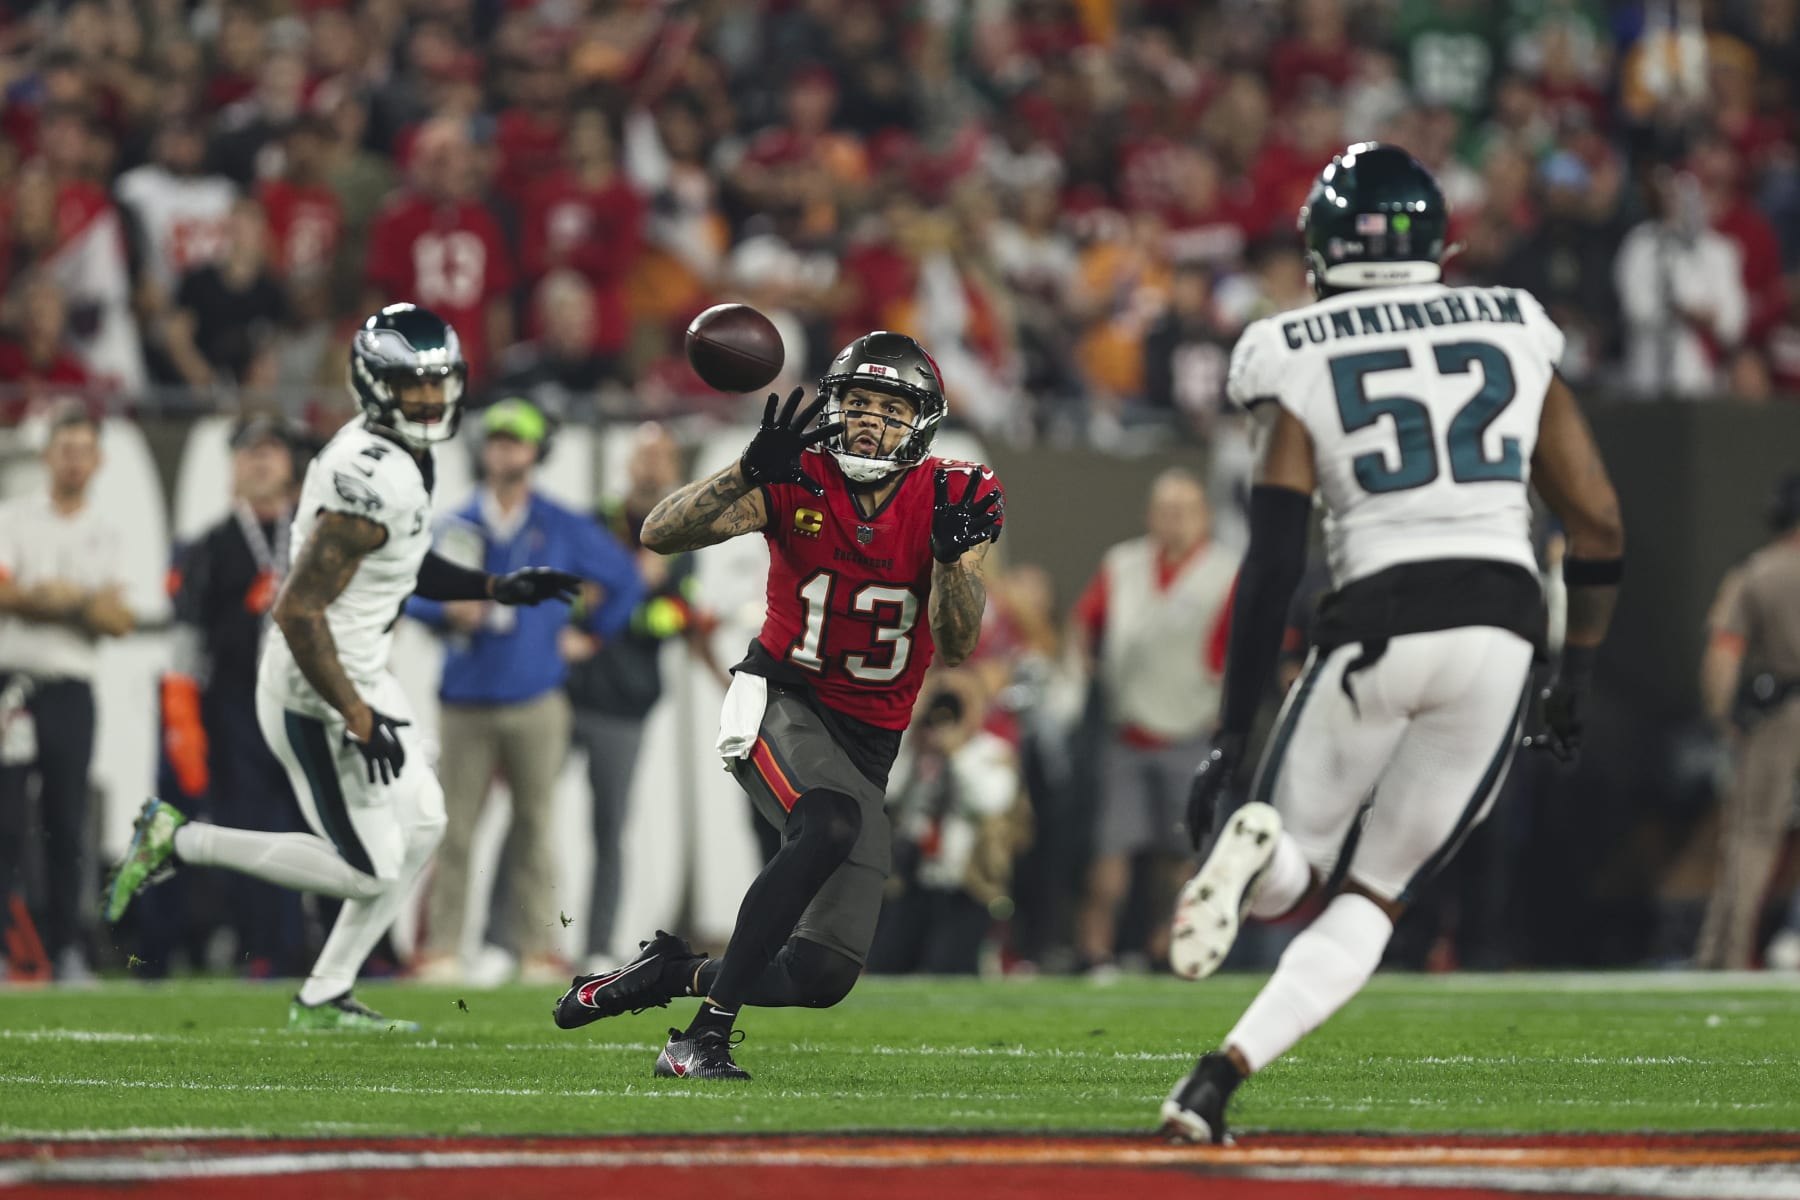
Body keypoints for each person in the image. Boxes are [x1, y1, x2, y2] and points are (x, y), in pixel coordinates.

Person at [1159, 144, 1625, 1143]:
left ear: (1323, 244)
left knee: (1296, 862)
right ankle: (1215, 1081)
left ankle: (1262, 856)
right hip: (1500, 630)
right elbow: (1598, 524)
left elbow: (1273, 561)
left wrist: (1229, 738)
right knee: (1376, 894)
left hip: (1375, 619)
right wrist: (1574, 675)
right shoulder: (1512, 322)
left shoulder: (1293, 344)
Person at [102, 304, 580, 1030]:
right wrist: (357, 715)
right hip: (312, 683)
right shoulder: (372, 474)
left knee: (423, 825)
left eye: (438, 381)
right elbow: (296, 613)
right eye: (411, 385)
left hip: (358, 670)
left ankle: (327, 989)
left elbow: (399, 560)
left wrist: (491, 586)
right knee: (368, 866)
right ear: (372, 384)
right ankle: (180, 839)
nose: (430, 399)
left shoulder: (402, 455)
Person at [552, 331, 1005, 1080]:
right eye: (856, 404)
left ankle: (667, 974)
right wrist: (742, 474)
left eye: (888, 409)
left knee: (819, 974)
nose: (868, 422)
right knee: (828, 821)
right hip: (780, 696)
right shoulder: (798, 474)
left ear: (920, 422)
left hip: (871, 740)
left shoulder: (955, 493)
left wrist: (954, 562)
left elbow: (955, 642)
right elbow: (657, 534)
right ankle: (703, 1039)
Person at [406, 397, 641, 983]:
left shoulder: (559, 525)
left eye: (514, 440)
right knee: (455, 829)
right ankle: (442, 949)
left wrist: (591, 639)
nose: (501, 448)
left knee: (537, 827)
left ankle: (537, 948)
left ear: (536, 452)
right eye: (495, 439)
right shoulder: (456, 524)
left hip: (536, 695)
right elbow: (410, 593)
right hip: (465, 697)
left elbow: (627, 581)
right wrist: (444, 613)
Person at [154, 416, 312, 977]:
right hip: (237, 710)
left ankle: (326, 949)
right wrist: (182, 721)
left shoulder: (316, 539)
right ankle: (262, 947)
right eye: (251, 452)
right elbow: (186, 639)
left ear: (292, 466)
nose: (263, 460)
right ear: (232, 469)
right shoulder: (209, 547)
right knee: (250, 827)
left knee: (320, 828)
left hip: (310, 708)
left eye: (273, 450)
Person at [562, 422, 722, 969]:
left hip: (626, 700)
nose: (652, 466)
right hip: (563, 690)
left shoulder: (686, 539)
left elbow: (680, 615)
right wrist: (637, 585)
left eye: (663, 456)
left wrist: (618, 596)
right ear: (628, 463)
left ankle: (597, 945)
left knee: (610, 827)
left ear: (675, 469)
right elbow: (569, 594)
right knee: (526, 818)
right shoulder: (595, 522)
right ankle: (507, 943)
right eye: (644, 455)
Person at [1071, 469, 1238, 972]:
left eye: (1185, 509)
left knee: (1183, 854)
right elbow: (1086, 622)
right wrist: (1086, 677)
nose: (1175, 520)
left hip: (1191, 730)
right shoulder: (1124, 563)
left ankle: (1171, 948)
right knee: (1111, 850)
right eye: (1166, 510)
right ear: (1151, 515)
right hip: (1128, 730)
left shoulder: (1226, 571)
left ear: (1205, 515)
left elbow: (1239, 650)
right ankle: (1093, 952)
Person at [0, 402, 138, 983]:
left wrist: (67, 600)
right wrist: (70, 602)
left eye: (85, 451)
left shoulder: (107, 531)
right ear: (48, 455)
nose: (75, 462)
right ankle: (12, 947)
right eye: (66, 449)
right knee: (5, 821)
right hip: (13, 687)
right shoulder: (14, 516)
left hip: (71, 690)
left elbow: (119, 618)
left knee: (66, 819)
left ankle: (65, 947)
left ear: (98, 460)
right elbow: (5, 593)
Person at [1694, 471, 1800, 970]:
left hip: (1779, 714)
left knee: (1753, 834)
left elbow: (1724, 652)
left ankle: (1728, 954)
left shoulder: (1757, 573)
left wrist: (1723, 717)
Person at [867, 671, 1026, 976]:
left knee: (949, 968)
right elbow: (887, 792)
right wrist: (911, 733)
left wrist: (956, 751)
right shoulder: (916, 750)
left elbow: (990, 801)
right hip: (914, 878)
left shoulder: (990, 752)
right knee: (885, 966)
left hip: (966, 883)